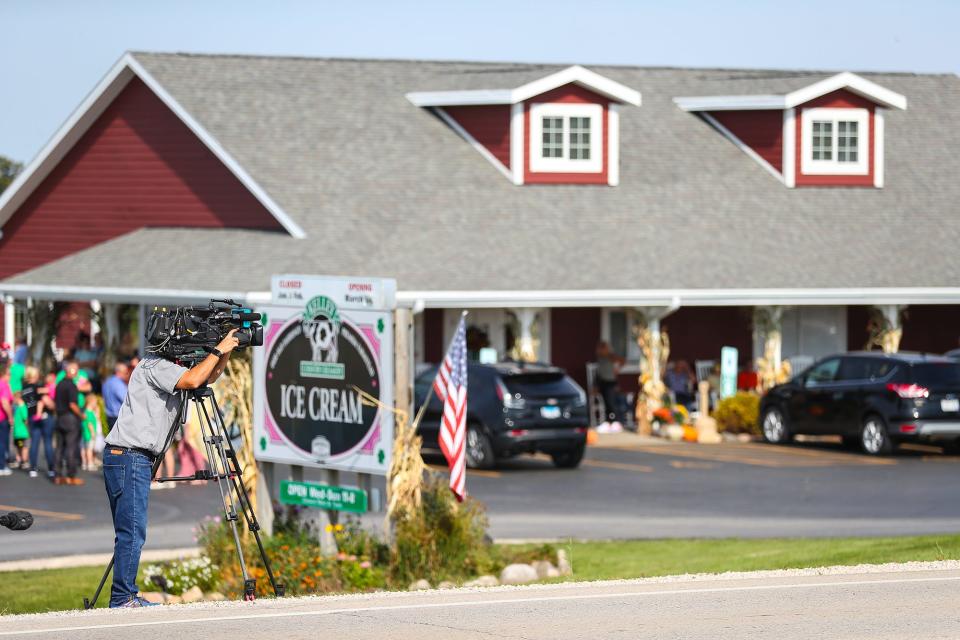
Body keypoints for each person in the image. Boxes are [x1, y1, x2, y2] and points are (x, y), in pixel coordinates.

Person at [103, 329, 239, 608]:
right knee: (132, 530)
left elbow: (207, 378)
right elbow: (194, 378)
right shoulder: (154, 365)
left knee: (130, 529)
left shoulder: (163, 367)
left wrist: (225, 351)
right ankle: (123, 598)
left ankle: (124, 595)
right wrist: (218, 348)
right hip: (129, 456)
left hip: (131, 457)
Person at [54, 361, 85, 485]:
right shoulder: (71, 385)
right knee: (71, 447)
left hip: (59, 417)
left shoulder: (59, 384)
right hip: (70, 418)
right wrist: (81, 415)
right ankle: (71, 475)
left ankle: (57, 475)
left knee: (59, 447)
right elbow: (72, 404)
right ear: (71, 371)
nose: (77, 373)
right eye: (76, 371)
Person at [24, 366, 55, 479]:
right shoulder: (39, 386)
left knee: (34, 443)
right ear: (35, 375)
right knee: (47, 442)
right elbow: (47, 401)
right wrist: (53, 406)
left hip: (32, 416)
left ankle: (32, 468)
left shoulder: (24, 387)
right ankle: (51, 469)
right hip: (46, 417)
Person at [595, 341, 625, 432]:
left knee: (611, 403)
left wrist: (617, 369)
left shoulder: (610, 356)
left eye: (602, 348)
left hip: (610, 382)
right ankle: (608, 422)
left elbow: (622, 361)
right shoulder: (600, 357)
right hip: (602, 381)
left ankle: (615, 422)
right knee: (605, 403)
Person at [102, 362, 130, 430]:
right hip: (118, 418)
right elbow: (127, 400)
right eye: (125, 372)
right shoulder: (118, 384)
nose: (127, 375)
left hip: (109, 417)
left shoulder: (107, 381)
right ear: (119, 372)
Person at [0, 362, 13, 476]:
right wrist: (10, 416)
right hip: (2, 418)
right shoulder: (4, 385)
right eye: (9, 374)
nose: (10, 377)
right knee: (2, 442)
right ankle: (1, 466)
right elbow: (4, 402)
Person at [81, 394, 100, 471]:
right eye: (95, 402)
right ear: (91, 402)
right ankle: (90, 464)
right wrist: (92, 433)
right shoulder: (89, 413)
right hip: (89, 434)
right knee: (89, 449)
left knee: (83, 448)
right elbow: (89, 424)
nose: (96, 404)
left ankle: (84, 463)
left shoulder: (85, 412)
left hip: (85, 434)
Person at [11, 393, 29, 470]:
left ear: (18, 398)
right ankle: (22, 461)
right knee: (22, 447)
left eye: (14, 399)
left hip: (20, 433)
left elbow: (24, 419)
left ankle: (21, 461)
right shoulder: (21, 407)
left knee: (21, 447)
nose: (13, 401)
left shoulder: (20, 407)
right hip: (21, 433)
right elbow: (25, 419)